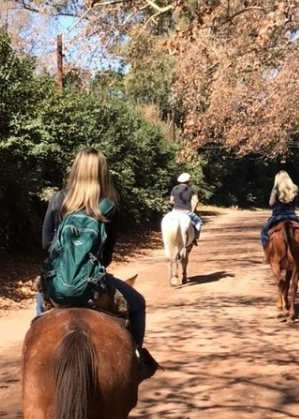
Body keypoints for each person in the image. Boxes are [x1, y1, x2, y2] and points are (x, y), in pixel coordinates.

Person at [36, 147, 159, 379]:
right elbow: (107, 256)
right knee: (138, 304)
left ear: (75, 170)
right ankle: (136, 363)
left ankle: (34, 360)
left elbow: (46, 244)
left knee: (39, 320)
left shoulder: (58, 199)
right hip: (93, 286)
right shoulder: (108, 206)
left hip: (57, 284)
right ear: (103, 173)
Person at [261, 170, 299, 258]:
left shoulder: (275, 190)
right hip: (292, 216)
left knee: (264, 232)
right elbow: (295, 203)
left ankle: (267, 252)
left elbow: (271, 203)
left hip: (277, 216)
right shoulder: (294, 189)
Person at [170, 172, 203, 245]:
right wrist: (193, 210)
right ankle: (194, 238)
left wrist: (175, 203)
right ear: (188, 181)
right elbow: (196, 200)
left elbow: (171, 201)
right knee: (198, 222)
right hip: (186, 211)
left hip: (174, 211)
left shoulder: (174, 188)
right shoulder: (191, 189)